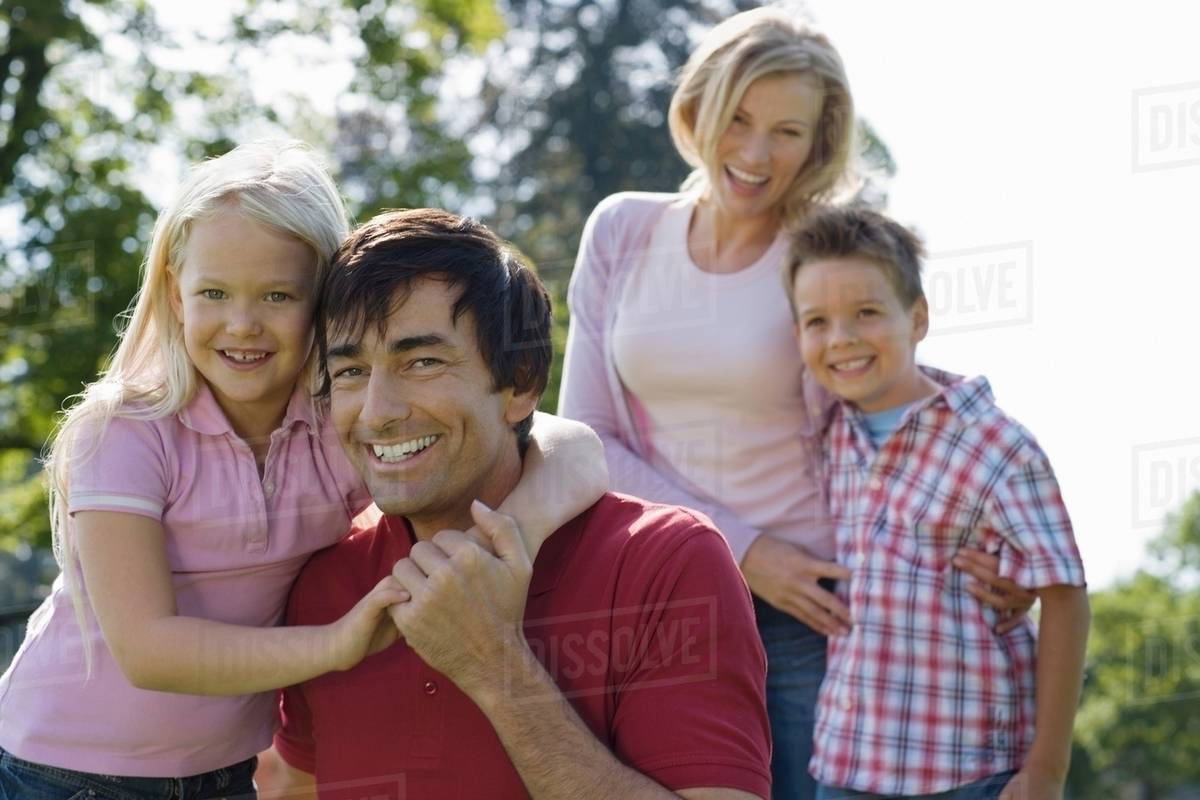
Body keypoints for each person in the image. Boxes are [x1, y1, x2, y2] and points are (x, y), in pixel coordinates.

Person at [0, 141, 606, 800]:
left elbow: (571, 447)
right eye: (214, 293)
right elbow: (147, 649)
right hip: (57, 772)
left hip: (220, 777)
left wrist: (490, 548)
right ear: (176, 296)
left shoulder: (338, 428)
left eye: (277, 295)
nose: (243, 323)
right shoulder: (126, 431)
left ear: (324, 302)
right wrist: (337, 644)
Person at [557, 8, 1033, 797]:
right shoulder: (622, 230)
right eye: (738, 117)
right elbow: (586, 438)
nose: (753, 152)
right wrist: (743, 550)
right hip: (674, 600)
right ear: (699, 104)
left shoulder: (819, 255)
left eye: (786, 131)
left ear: (820, 142)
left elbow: (895, 399)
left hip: (820, 606)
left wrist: (1001, 541)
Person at [267, 208, 772, 800]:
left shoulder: (669, 562)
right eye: (350, 371)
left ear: (522, 382)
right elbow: (295, 787)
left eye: (422, 362)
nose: (377, 411)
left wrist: (494, 666)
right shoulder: (323, 577)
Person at [786, 207, 1090, 800]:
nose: (842, 338)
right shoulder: (829, 430)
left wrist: (1047, 772)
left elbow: (1066, 596)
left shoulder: (997, 445)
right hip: (847, 763)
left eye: (867, 313)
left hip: (969, 771)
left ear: (917, 316)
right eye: (816, 321)